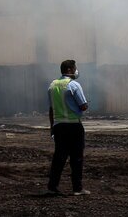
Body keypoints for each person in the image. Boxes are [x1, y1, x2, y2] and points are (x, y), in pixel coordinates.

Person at [47, 59, 90, 196]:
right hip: (73, 126)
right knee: (76, 158)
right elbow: (83, 105)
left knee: (59, 158)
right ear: (70, 70)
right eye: (75, 68)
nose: (76, 70)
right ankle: (77, 188)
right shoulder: (74, 85)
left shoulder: (52, 85)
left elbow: (51, 109)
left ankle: (52, 186)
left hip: (59, 126)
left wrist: (52, 127)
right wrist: (83, 106)